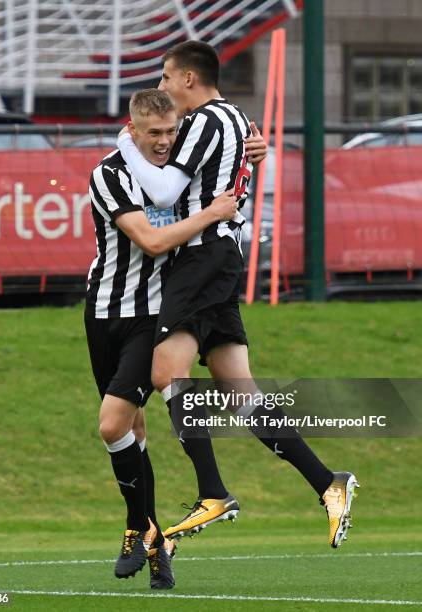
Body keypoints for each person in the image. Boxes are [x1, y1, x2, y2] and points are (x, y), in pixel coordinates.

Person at [117, 41, 359, 549]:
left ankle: (213, 491)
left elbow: (163, 192)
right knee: (240, 392)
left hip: (203, 257)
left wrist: (123, 141)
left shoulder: (207, 119)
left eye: (165, 76)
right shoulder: (235, 119)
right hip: (220, 258)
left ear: (187, 79)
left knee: (165, 371)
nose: (161, 87)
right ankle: (328, 483)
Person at [85, 88, 240, 588]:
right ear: (132, 131)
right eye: (154, 133)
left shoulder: (181, 172)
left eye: (172, 132)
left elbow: (226, 165)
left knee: (112, 426)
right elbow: (151, 240)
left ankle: (137, 526)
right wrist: (211, 214)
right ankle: (155, 545)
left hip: (152, 319)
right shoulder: (110, 173)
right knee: (134, 431)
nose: (165, 142)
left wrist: (252, 152)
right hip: (104, 313)